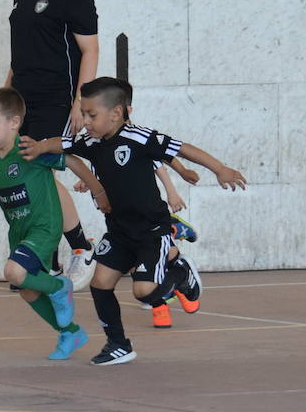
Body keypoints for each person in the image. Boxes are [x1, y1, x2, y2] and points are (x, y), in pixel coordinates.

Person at [21, 77, 247, 365]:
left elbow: (182, 148)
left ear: (116, 113)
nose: (85, 121)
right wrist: (39, 147)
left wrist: (220, 168)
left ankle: (180, 273)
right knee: (100, 284)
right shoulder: (90, 141)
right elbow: (61, 143)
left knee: (144, 292)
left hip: (152, 231)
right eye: (83, 113)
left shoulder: (139, 138)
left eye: (91, 115)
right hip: (118, 231)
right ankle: (118, 345)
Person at [0, 87, 87, 360]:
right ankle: (70, 333)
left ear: (14, 123)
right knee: (26, 290)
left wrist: (96, 187)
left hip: (44, 227)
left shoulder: (30, 149)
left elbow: (70, 159)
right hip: (19, 232)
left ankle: (61, 287)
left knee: (13, 271)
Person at [5, 0, 100, 287]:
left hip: (57, 98)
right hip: (23, 98)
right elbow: (20, 52)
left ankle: (79, 247)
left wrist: (82, 102)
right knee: (31, 177)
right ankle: (52, 261)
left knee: (41, 171)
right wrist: (7, 92)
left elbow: (90, 51)